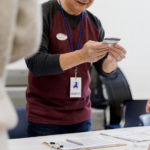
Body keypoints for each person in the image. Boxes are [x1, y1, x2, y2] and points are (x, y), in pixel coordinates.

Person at [25, 0, 126, 137]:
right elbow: (35, 64)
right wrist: (81, 56)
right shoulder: (40, 14)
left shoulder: (94, 23)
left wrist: (111, 61)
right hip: (45, 118)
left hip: (82, 116)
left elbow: (103, 69)